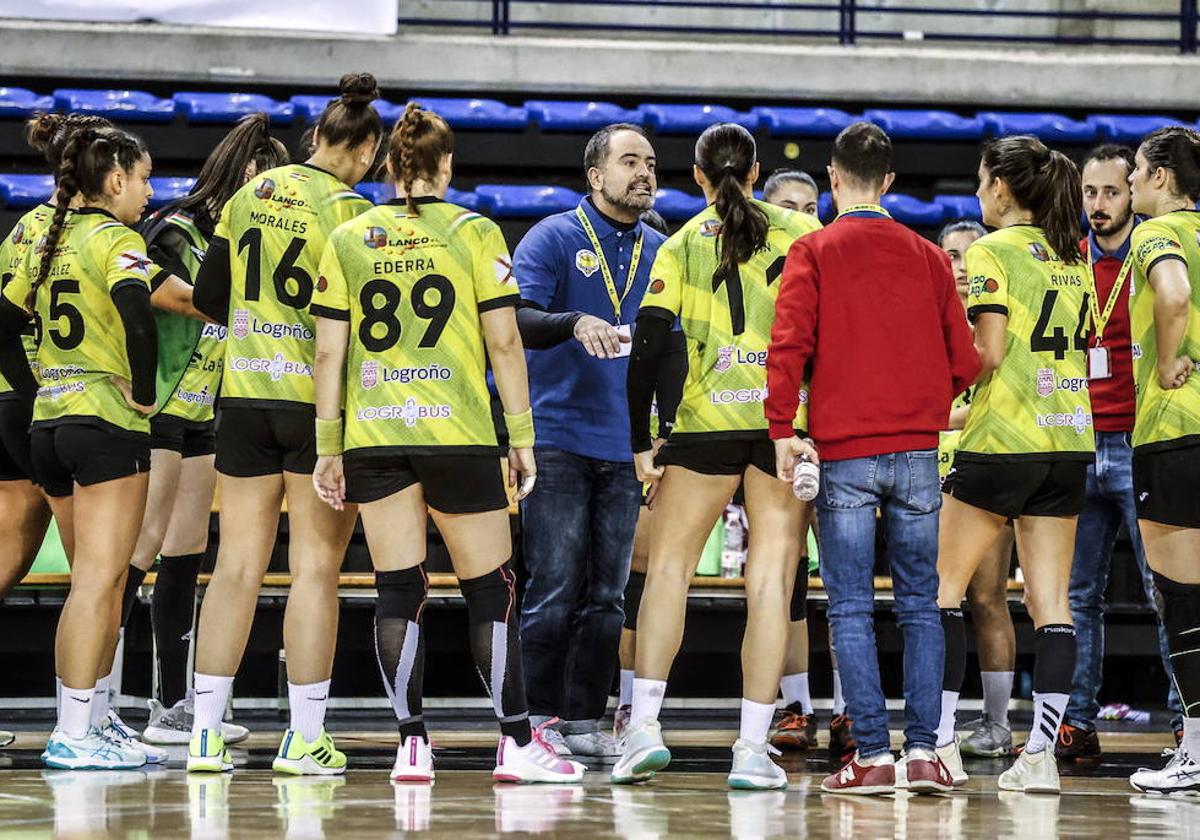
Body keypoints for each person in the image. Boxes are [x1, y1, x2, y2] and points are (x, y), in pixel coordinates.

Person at [309, 102, 585, 784]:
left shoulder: (350, 235)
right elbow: (503, 340)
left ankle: (411, 746)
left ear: (390, 165)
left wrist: (328, 445)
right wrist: (521, 435)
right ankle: (516, 746)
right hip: (457, 433)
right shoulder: (474, 231)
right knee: (492, 592)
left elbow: (327, 354)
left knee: (398, 590)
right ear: (446, 165)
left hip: (375, 436)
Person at [766, 121, 980, 796]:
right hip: (919, 452)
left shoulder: (816, 249)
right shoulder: (927, 255)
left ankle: (871, 756)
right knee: (921, 605)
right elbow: (967, 360)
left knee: (851, 607)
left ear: (833, 179)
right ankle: (923, 752)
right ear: (889, 181)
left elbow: (788, 344)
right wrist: (921, 403)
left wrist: (780, 425)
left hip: (845, 454)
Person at [613, 122, 821, 791]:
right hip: (782, 422)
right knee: (770, 581)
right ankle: (752, 746)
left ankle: (642, 726)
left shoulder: (677, 244)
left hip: (704, 420)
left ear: (699, 177)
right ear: (757, 172)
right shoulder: (802, 234)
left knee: (667, 570)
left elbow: (646, 345)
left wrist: (641, 441)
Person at [186, 73, 382, 775]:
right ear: (362, 149)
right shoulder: (355, 213)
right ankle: (304, 740)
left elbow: (209, 296)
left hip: (241, 401)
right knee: (314, 570)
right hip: (316, 406)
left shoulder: (248, 195)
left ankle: (205, 735)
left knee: (234, 567)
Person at [0, 126, 160, 769]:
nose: (151, 192)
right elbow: (139, 312)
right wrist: (144, 393)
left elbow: (3, 324)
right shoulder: (114, 238)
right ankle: (73, 732)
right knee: (98, 582)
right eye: (145, 179)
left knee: (97, 580)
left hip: (46, 424)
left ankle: (88, 721)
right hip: (104, 424)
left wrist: (35, 386)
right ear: (116, 179)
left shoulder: (46, 238)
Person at [937, 135, 1093, 794]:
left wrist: (938, 393)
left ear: (1001, 186)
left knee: (940, 594)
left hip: (1003, 437)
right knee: (1052, 606)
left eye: (980, 179)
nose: (977, 190)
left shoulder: (991, 250)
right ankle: (1041, 758)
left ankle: (939, 744)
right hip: (1068, 440)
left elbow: (991, 351)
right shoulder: (1072, 255)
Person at [127, 114, 289, 747]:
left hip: (201, 413)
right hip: (155, 408)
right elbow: (174, 297)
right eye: (268, 181)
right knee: (138, 552)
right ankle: (96, 704)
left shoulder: (250, 237)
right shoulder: (175, 229)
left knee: (184, 558)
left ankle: (173, 706)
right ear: (247, 174)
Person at [512, 123, 664, 756]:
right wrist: (574, 322)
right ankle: (537, 719)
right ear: (596, 176)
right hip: (557, 437)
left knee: (607, 596)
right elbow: (516, 318)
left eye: (651, 163)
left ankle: (584, 720)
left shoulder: (663, 248)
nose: (644, 173)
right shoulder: (553, 237)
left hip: (627, 446)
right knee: (552, 585)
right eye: (630, 162)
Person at [1061, 144, 1182, 760]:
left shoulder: (1156, 255)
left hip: (1142, 441)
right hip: (1080, 443)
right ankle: (1076, 722)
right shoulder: (1068, 261)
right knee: (1078, 595)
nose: (1099, 204)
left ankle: (1186, 722)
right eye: (1089, 193)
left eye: (1112, 191)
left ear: (1134, 193)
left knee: (1169, 590)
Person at [1124, 126, 1200, 796]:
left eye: (1137, 172)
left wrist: (1173, 356)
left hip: (1176, 432)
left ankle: (1197, 751)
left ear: (1163, 177)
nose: (1129, 185)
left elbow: (1172, 294)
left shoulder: (1158, 232)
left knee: (1183, 602)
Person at [935, 219, 1019, 760]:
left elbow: (1001, 403)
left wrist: (939, 413)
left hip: (986, 466)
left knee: (986, 597)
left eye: (969, 255)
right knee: (933, 601)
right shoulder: (927, 314)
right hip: (927, 472)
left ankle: (995, 723)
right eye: (951, 254)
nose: (962, 265)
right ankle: (935, 724)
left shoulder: (999, 320)